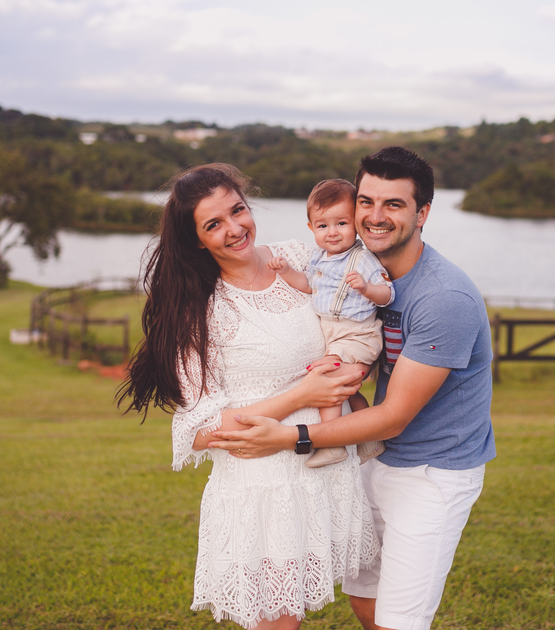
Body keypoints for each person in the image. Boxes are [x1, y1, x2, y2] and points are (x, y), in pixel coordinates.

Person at [210, 147, 496, 630]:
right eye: (366, 202)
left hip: (432, 471)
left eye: (394, 205)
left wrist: (292, 437)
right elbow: (275, 261)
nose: (375, 217)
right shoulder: (354, 264)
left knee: (399, 620)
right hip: (372, 457)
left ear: (423, 212)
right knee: (364, 599)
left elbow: (395, 415)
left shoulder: (443, 297)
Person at [117, 163, 377, 630]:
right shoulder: (202, 311)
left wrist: (357, 367)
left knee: (373, 602)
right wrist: (303, 393)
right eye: (213, 224)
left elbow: (358, 312)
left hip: (325, 467)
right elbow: (200, 430)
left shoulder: (299, 256)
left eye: (238, 210)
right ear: (197, 239)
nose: (235, 228)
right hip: (264, 489)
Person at [267, 178, 392, 468]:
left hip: (357, 334)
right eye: (323, 226)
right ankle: (371, 439)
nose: (332, 233)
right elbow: (309, 286)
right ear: (311, 228)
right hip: (333, 335)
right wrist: (286, 271)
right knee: (349, 389)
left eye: (341, 224)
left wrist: (365, 288)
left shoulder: (362, 259)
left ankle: (331, 443)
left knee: (328, 383)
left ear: (356, 224)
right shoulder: (318, 259)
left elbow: (387, 294)